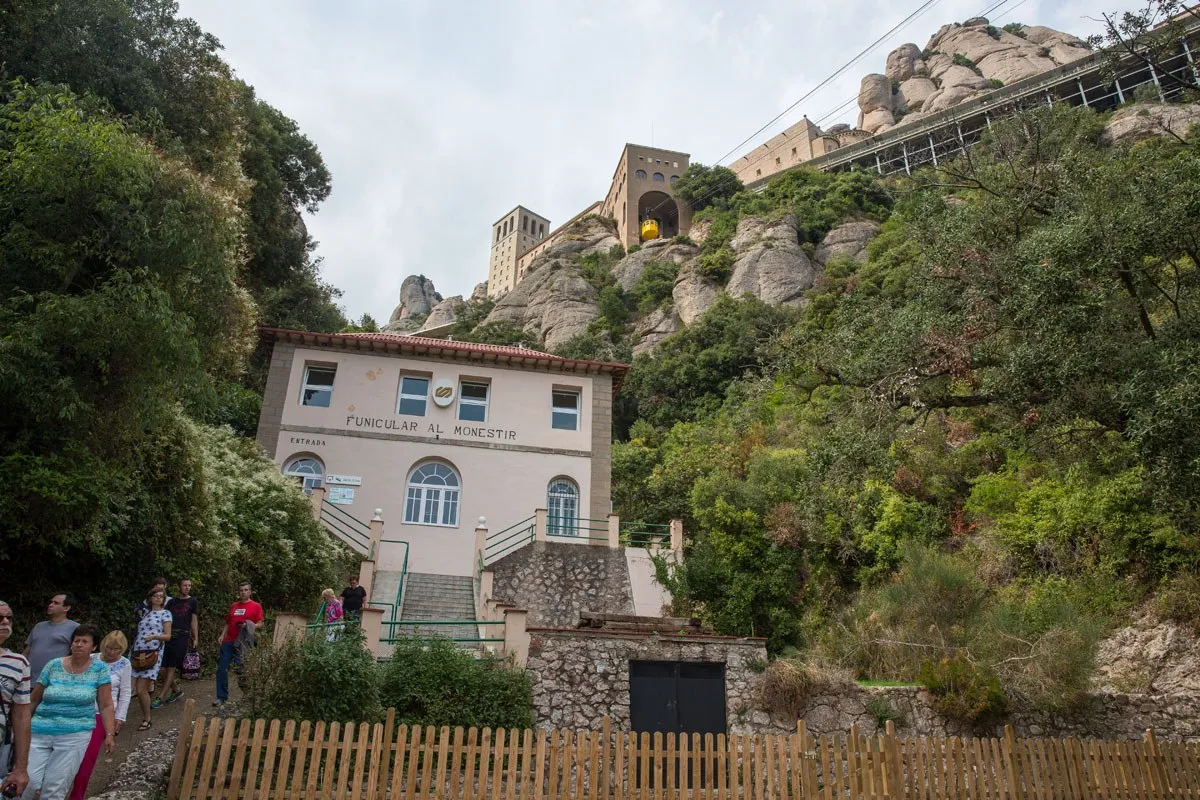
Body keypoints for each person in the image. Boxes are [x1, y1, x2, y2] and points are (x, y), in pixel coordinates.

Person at [22, 625, 115, 800]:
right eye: (76, 640)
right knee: (28, 781)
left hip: (75, 734)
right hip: (40, 730)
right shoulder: (54, 665)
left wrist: (109, 734)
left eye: (84, 641)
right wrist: (21, 726)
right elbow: (34, 699)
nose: (79, 644)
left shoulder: (99, 669)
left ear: (93, 647)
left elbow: (106, 705)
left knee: (54, 787)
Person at [67, 632, 129, 800]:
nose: (112, 652)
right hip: (80, 709)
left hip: (102, 714)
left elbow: (125, 692)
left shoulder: (125, 664)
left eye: (117, 649)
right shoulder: (92, 658)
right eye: (109, 648)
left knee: (89, 756)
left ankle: (77, 795)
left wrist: (120, 717)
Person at [0, 601, 31, 798]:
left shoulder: (19, 663)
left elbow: (21, 717)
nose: (5, 622)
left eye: (9, 617)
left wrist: (20, 768)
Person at [214, 582, 263, 708]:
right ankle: (221, 697)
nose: (243, 592)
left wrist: (248, 625)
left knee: (241, 668)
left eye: (246, 590)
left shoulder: (256, 606)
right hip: (228, 640)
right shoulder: (234, 606)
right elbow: (228, 622)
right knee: (222, 669)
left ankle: (247, 694)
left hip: (243, 642)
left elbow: (260, 624)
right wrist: (222, 635)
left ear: (250, 592)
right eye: (241, 590)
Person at [129, 588, 171, 732]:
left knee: (141, 689)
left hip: (152, 654)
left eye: (161, 596)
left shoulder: (165, 613)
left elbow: (168, 635)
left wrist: (154, 637)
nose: (159, 598)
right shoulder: (145, 614)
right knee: (128, 688)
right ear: (150, 598)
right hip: (137, 652)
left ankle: (147, 718)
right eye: (156, 596)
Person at [153, 579, 197, 709]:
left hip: (182, 637)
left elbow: (194, 620)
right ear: (179, 586)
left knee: (171, 667)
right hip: (168, 636)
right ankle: (177, 689)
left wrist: (195, 637)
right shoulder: (171, 602)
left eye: (189, 585)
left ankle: (160, 697)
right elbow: (163, 617)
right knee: (161, 668)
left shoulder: (193, 601)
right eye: (184, 585)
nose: (187, 588)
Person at [24, 594, 79, 681]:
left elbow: (78, 655)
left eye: (56, 603)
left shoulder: (75, 628)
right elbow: (27, 651)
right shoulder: (39, 626)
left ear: (66, 608)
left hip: (54, 682)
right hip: (29, 680)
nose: (50, 605)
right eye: (51, 602)